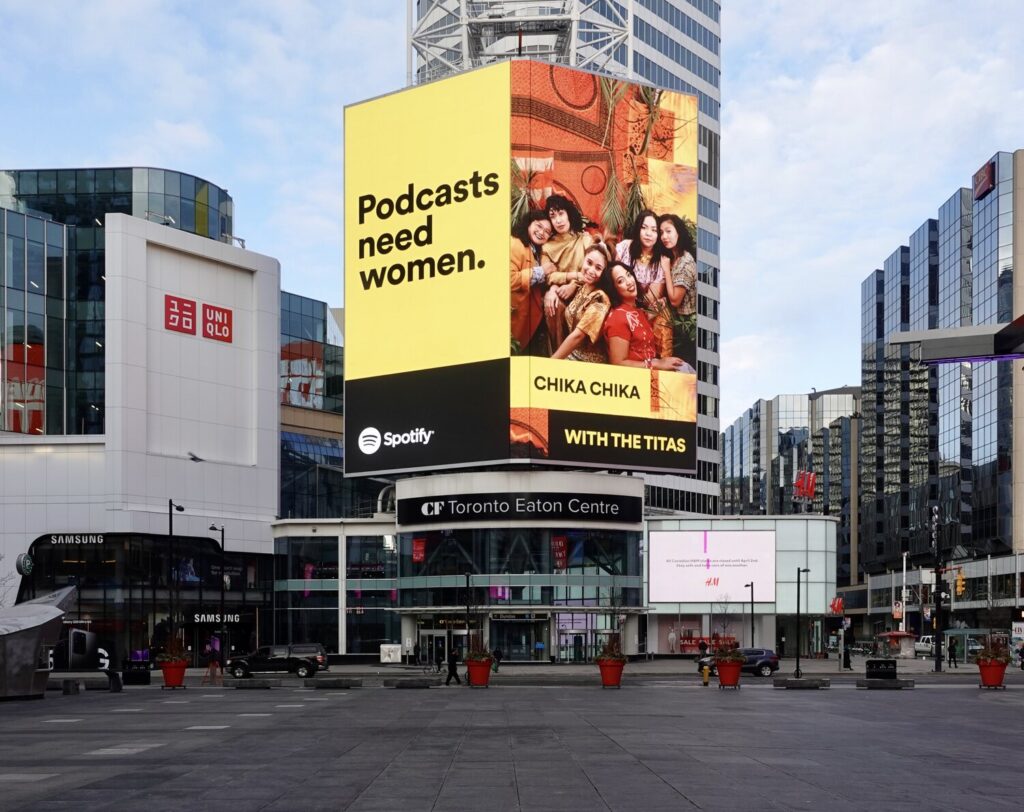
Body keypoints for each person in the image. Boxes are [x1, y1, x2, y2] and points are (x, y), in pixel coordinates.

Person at [601, 262, 686, 371]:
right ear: (613, 289)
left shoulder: (636, 310)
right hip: (639, 381)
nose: (629, 282)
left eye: (628, 275)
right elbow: (618, 363)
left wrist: (652, 312)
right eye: (620, 281)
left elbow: (637, 330)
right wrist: (657, 364)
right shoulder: (617, 318)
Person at [541, 195, 594, 350]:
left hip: (586, 290)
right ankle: (559, 355)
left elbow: (593, 272)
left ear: (568, 214)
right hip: (561, 293)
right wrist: (557, 286)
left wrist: (574, 284)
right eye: (553, 216)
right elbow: (550, 276)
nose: (558, 220)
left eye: (561, 213)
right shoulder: (547, 247)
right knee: (552, 304)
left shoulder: (584, 239)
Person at [550, 244, 611, 362]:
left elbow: (578, 336)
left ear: (604, 273)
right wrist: (552, 291)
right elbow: (556, 283)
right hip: (571, 353)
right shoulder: (581, 286)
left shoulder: (600, 299)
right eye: (589, 263)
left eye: (598, 268)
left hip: (588, 361)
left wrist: (552, 361)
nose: (591, 270)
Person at [510, 210, 554, 353]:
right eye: (539, 226)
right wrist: (541, 271)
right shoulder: (515, 244)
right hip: (513, 319)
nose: (542, 232)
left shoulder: (538, 250)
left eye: (547, 231)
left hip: (529, 322)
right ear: (529, 223)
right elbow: (509, 279)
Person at [657, 213, 698, 360]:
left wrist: (666, 269)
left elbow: (676, 300)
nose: (664, 236)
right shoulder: (674, 257)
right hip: (676, 327)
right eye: (661, 232)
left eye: (668, 231)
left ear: (678, 232)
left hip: (687, 332)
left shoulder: (685, 262)